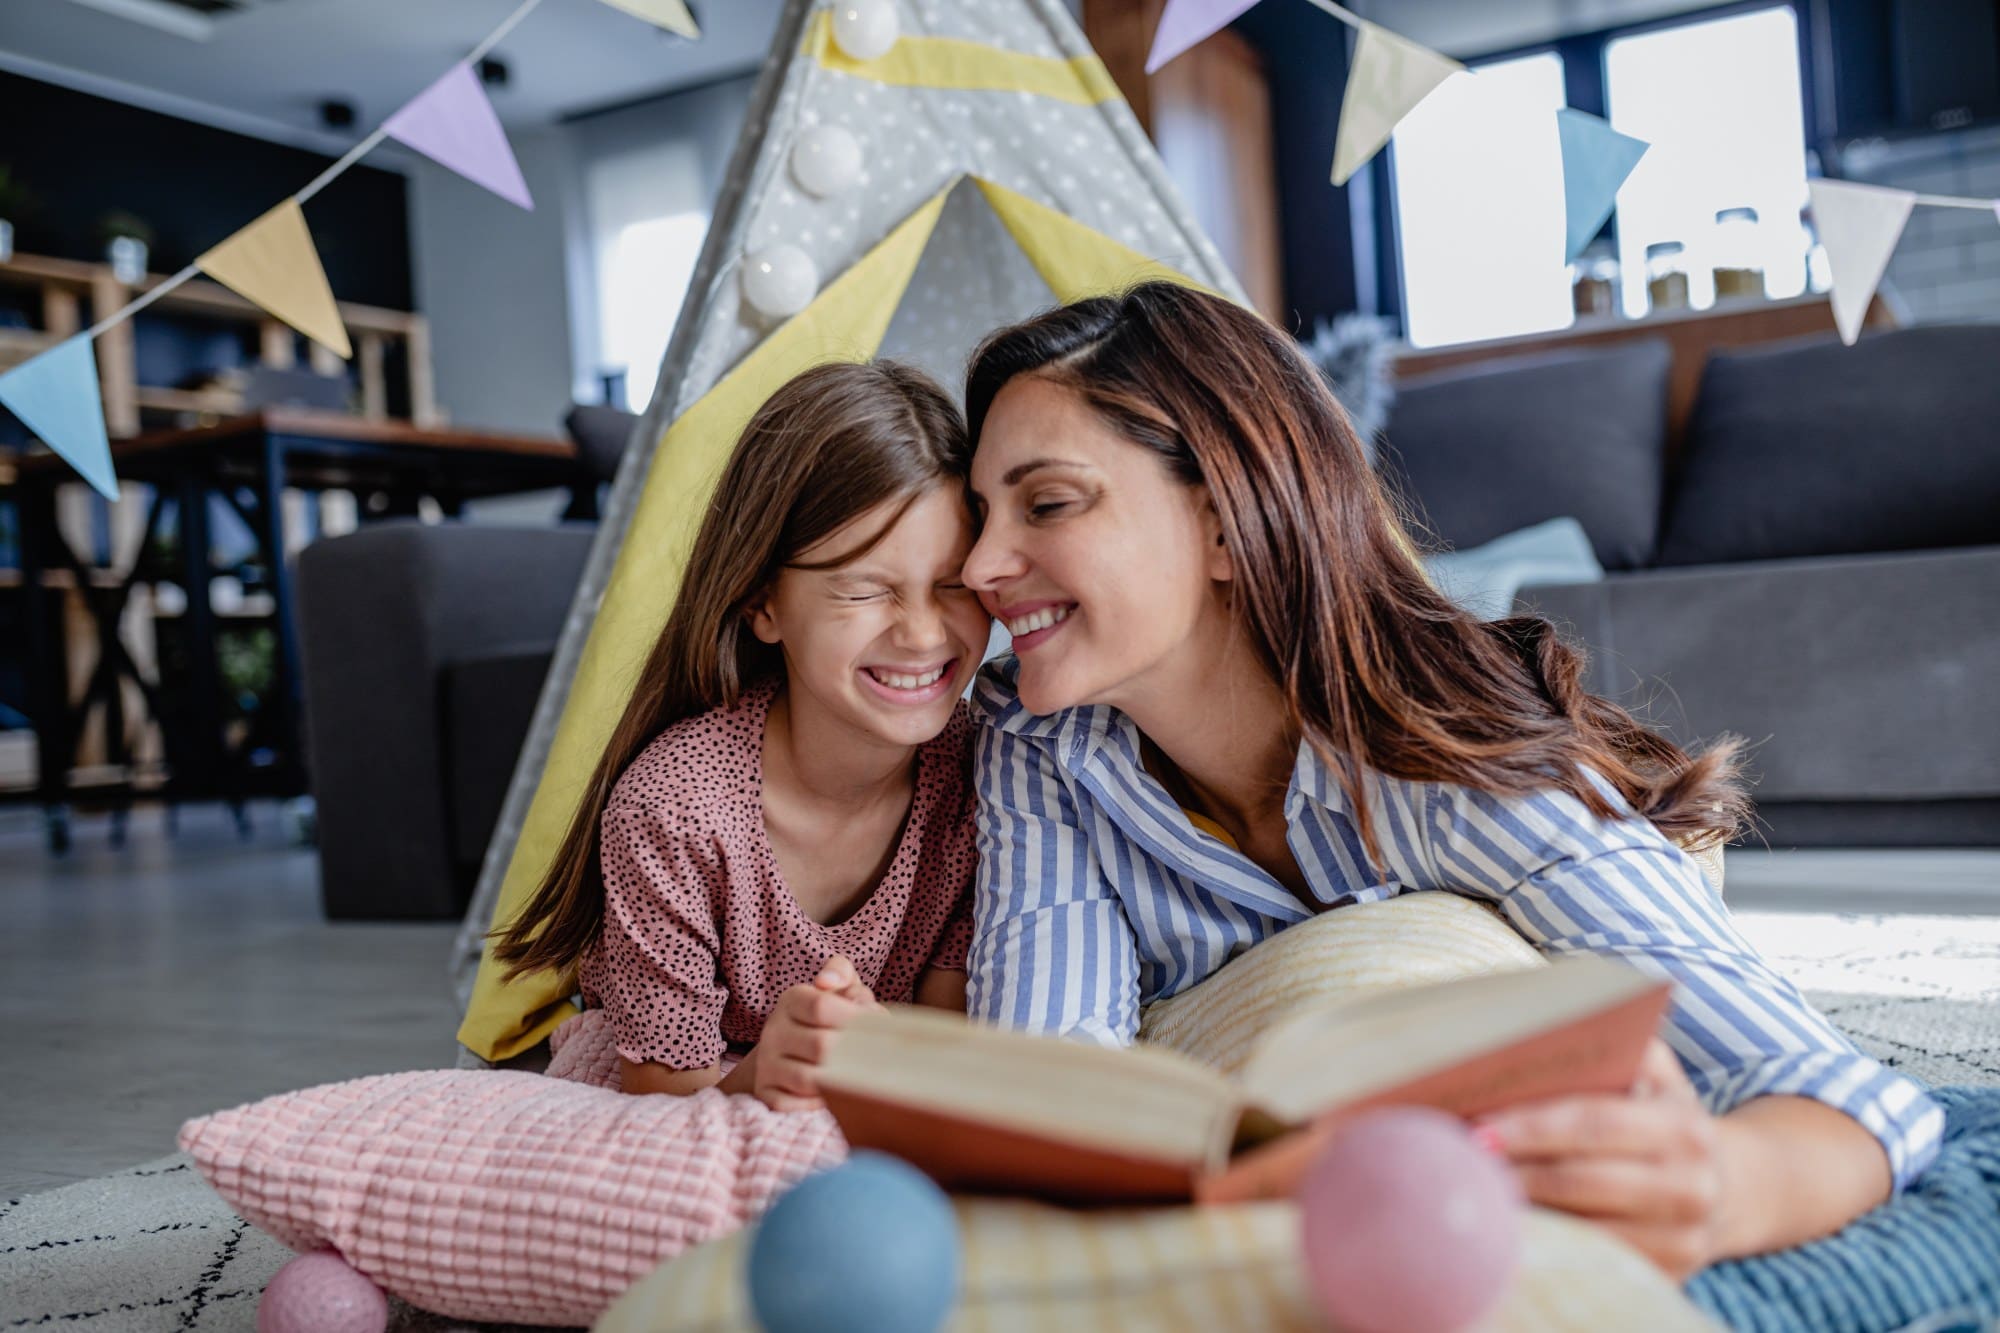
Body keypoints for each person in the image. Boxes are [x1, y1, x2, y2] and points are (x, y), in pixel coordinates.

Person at [957, 282, 1941, 1279]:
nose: (981, 564)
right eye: (977, 514)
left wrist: (1726, 1183)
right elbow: (1052, 1077)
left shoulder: (1437, 760)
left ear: (1223, 521)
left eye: (1045, 502)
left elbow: (1848, 1092)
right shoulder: (1036, 739)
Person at [492, 361, 989, 1110]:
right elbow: (663, 1094)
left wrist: (879, 1047)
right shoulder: (672, 811)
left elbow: (945, 1041)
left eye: (953, 585)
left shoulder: (982, 778)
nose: (923, 633)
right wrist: (771, 1068)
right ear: (764, 603)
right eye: (864, 588)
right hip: (678, 1087)